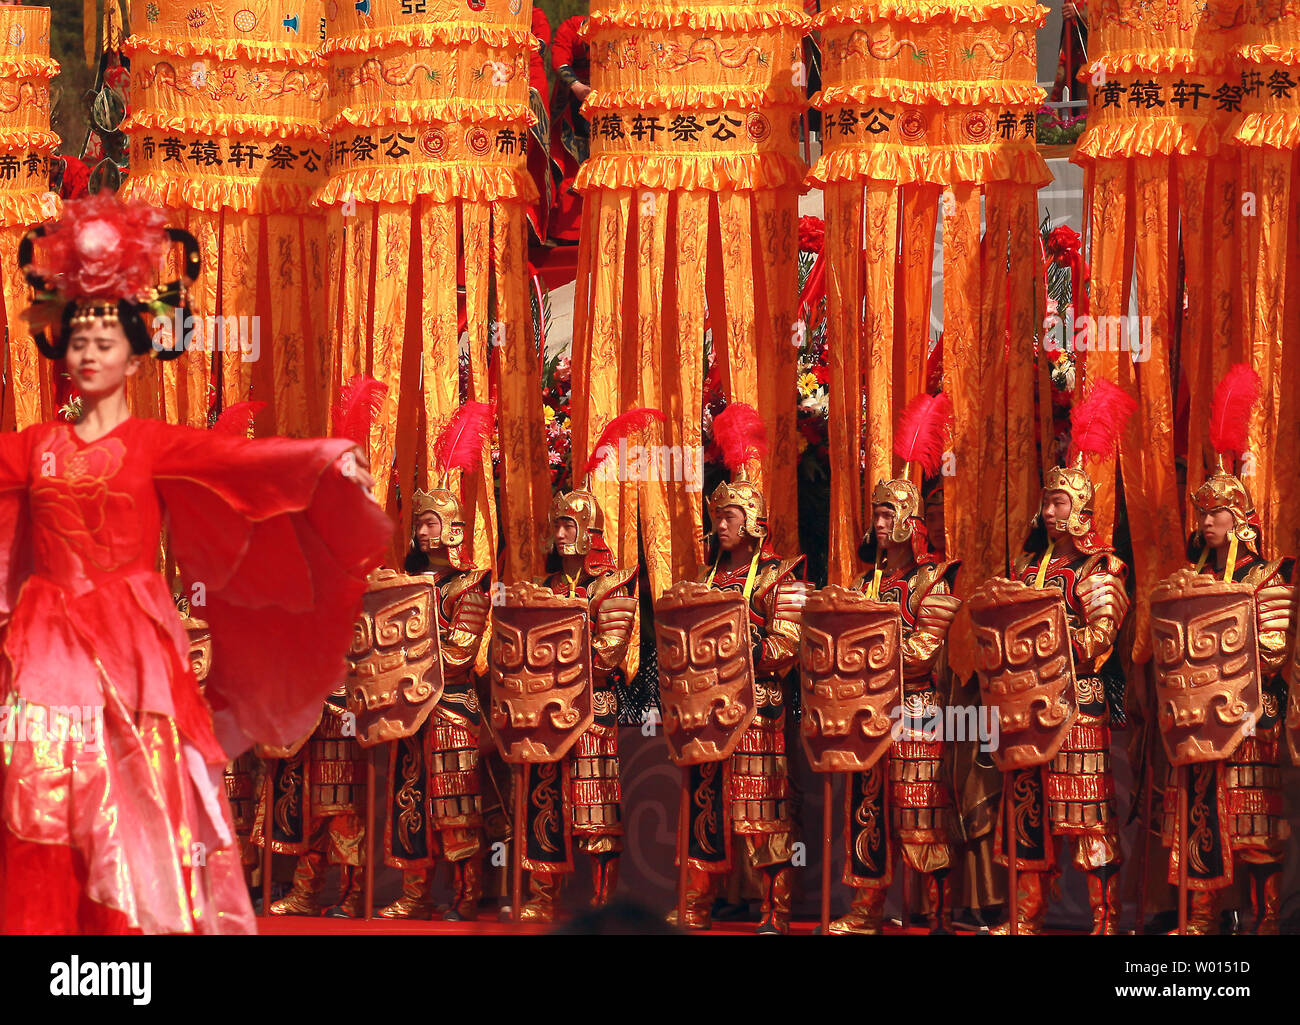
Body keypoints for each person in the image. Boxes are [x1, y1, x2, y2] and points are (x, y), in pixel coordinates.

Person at [0, 193, 391, 934]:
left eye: (105, 339)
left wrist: (328, 462)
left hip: (135, 645)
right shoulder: (31, 448)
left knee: (143, 790)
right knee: (40, 790)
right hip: (48, 645)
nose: (88, 353)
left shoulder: (155, 443)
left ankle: (130, 940)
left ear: (135, 349)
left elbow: (245, 468)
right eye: (77, 338)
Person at [994, 381, 1133, 935]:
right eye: (1047, 501)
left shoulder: (1104, 567)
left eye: (1059, 502)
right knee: (1028, 813)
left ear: (1080, 510)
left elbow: (1100, 640)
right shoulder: (1025, 572)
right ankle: (1026, 918)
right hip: (1027, 707)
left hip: (1077, 704)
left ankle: (1104, 920)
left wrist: (1050, 639)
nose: (1049, 511)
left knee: (1087, 816)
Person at [1161, 366, 1294, 934]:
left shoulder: (1270, 577)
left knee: (1253, 818)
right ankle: (1203, 917)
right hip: (1196, 716)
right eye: (1202, 514)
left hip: (1248, 712)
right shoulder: (1187, 579)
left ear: (1239, 519)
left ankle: (1265, 919)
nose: (1205, 522)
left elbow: (1269, 650)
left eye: (1215, 513)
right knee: (1198, 815)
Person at [516, 411, 655, 922]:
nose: (560, 534)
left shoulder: (612, 587)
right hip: (546, 710)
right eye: (557, 525)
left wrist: (553, 660)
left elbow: (607, 654)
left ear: (590, 530)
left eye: (569, 524)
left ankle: (602, 901)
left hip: (593, 706)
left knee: (595, 802)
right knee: (542, 797)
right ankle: (542, 896)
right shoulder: (546, 588)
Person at [831, 395, 961, 935]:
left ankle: (937, 911)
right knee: (866, 809)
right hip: (867, 714)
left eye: (889, 514)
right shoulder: (862, 584)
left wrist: (866, 652)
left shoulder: (935, 580)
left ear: (910, 521)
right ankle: (866, 908)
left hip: (915, 710)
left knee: (919, 811)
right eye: (877, 514)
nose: (879, 522)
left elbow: (921, 653)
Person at [673, 402, 805, 934]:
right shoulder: (704, 578)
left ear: (752, 522)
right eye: (716, 516)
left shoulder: (781, 576)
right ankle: (696, 906)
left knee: (761, 810)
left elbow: (787, 646)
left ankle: (775, 908)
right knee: (704, 808)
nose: (719, 524)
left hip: (757, 710)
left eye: (729, 517)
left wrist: (738, 645)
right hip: (706, 709)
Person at [377, 404, 494, 920]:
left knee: (455, 805)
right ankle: (414, 892)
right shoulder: (407, 584)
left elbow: (462, 652)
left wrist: (403, 655)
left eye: (431, 523)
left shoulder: (471, 586)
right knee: (408, 802)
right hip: (411, 707)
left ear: (452, 528)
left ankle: (466, 894)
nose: (423, 533)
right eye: (419, 524)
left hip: (450, 708)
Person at [548, 13, 590, 243]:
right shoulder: (570, 28)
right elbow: (560, 61)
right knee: (569, 161)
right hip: (571, 102)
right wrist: (577, 86)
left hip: (606, 105)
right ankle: (565, 231)